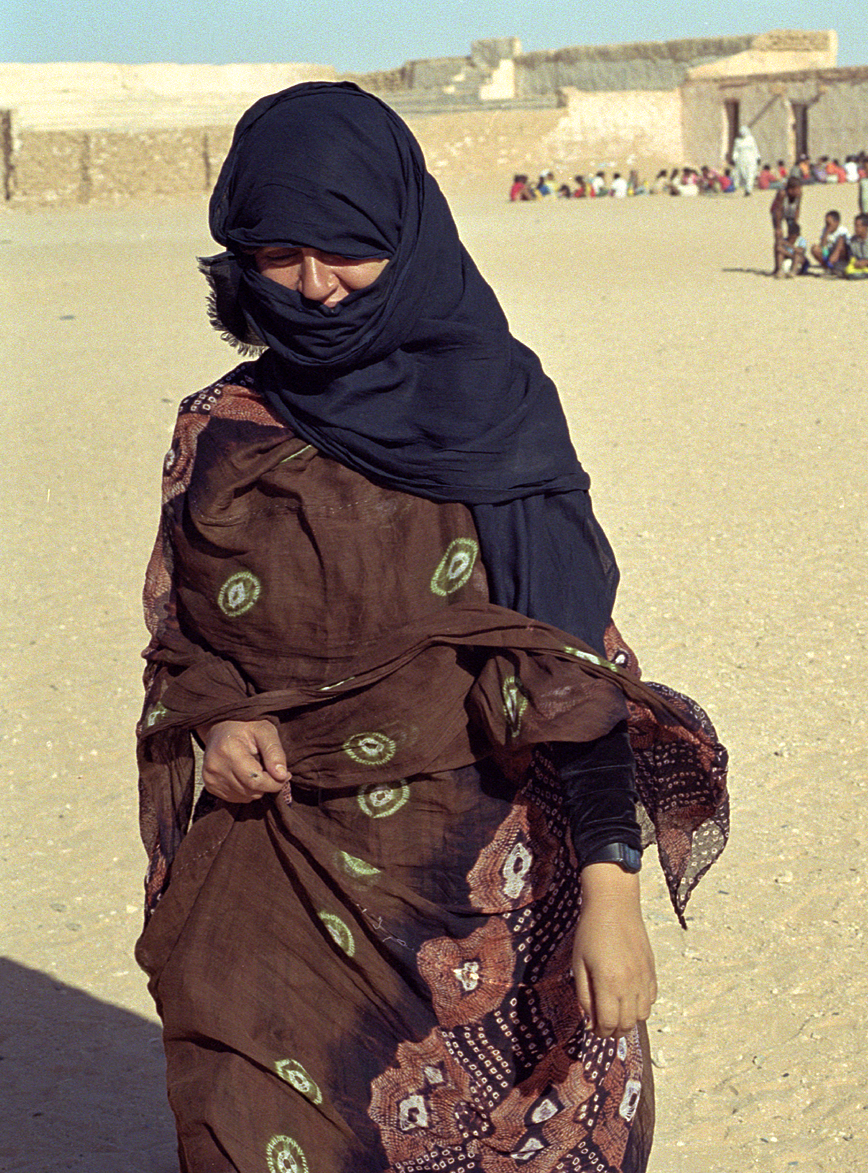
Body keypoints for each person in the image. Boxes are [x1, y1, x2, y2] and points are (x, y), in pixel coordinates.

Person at [137, 82, 728, 1173]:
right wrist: (215, 728)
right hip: (274, 880)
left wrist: (611, 890)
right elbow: (183, 640)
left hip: (479, 887)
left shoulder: (493, 411)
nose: (315, 289)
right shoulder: (221, 432)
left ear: (404, 236)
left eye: (346, 251)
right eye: (278, 256)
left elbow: (570, 668)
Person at [770, 175, 803, 278]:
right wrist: (778, 227)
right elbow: (778, 210)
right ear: (790, 190)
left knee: (792, 236)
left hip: (790, 212)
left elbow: (797, 208)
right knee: (779, 238)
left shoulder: (799, 194)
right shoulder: (782, 194)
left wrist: (795, 223)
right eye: (797, 189)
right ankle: (778, 267)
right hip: (778, 212)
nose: (799, 191)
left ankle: (791, 262)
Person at [730, 125, 761, 195]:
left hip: (751, 158)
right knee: (744, 174)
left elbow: (755, 149)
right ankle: (745, 187)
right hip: (741, 159)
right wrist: (734, 158)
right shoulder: (737, 141)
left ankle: (748, 190)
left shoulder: (751, 139)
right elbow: (736, 151)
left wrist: (758, 157)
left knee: (750, 173)